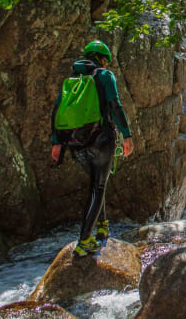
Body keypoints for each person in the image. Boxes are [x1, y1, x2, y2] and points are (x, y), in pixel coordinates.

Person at [50, 40, 134, 257]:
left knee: (97, 183)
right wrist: (127, 135)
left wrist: (56, 142)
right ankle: (85, 240)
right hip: (101, 138)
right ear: (103, 58)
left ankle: (103, 225)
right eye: (106, 60)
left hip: (75, 141)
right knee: (98, 187)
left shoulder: (72, 80)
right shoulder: (105, 76)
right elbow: (115, 105)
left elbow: (57, 110)